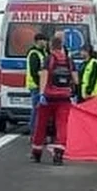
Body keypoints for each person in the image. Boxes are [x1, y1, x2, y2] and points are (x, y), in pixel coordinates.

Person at [31, 34, 78, 165]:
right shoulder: (69, 61)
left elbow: (44, 77)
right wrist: (74, 93)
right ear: (62, 47)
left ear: (51, 47)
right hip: (64, 98)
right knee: (62, 125)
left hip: (48, 98)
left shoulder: (48, 59)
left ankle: (37, 152)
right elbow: (76, 79)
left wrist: (41, 94)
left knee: (41, 124)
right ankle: (58, 154)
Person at [25, 32, 49, 135]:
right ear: (38, 41)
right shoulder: (34, 54)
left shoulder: (43, 52)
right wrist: (40, 86)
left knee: (41, 110)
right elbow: (34, 72)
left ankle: (39, 132)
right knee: (36, 110)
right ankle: (34, 132)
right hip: (36, 86)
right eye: (44, 40)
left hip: (42, 85)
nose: (46, 42)